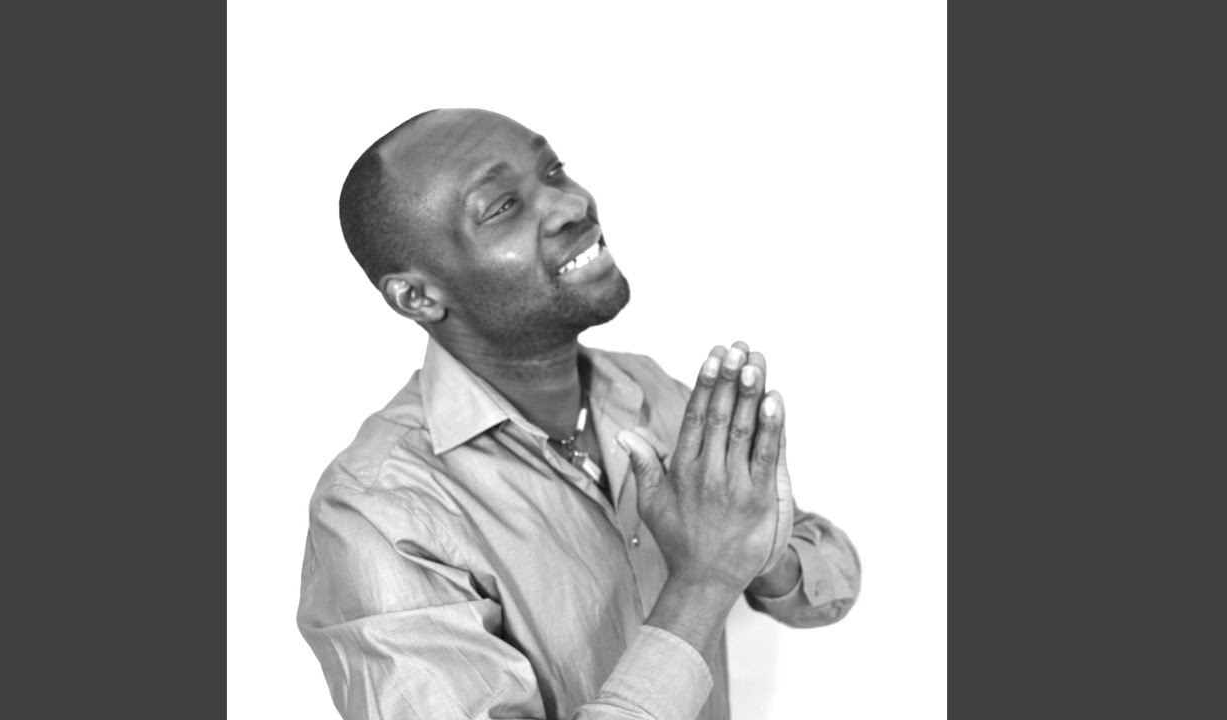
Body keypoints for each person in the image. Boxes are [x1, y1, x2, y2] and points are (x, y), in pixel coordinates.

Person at [297, 108, 861, 720]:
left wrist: (759, 554)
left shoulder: (648, 389)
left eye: (554, 170)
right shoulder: (375, 511)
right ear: (418, 296)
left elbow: (827, 590)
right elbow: (711, 574)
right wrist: (703, 581)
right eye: (503, 206)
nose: (571, 204)